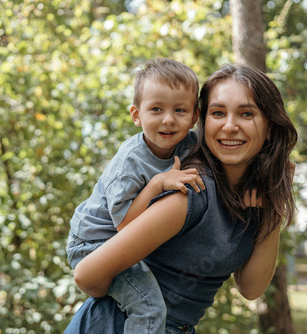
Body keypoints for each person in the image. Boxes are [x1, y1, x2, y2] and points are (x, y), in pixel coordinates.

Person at [64, 64, 298, 333]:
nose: (230, 126)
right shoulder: (190, 191)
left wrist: (273, 202)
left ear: (270, 126)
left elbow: (251, 288)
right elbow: (86, 274)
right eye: (218, 113)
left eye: (246, 114)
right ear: (204, 121)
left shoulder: (250, 198)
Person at [66, 58, 205, 334]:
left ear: (194, 116)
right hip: (94, 244)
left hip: (120, 241)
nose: (168, 119)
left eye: (179, 110)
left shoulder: (189, 143)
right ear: (136, 115)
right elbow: (124, 228)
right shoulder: (129, 165)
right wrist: (156, 184)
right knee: (149, 309)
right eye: (156, 109)